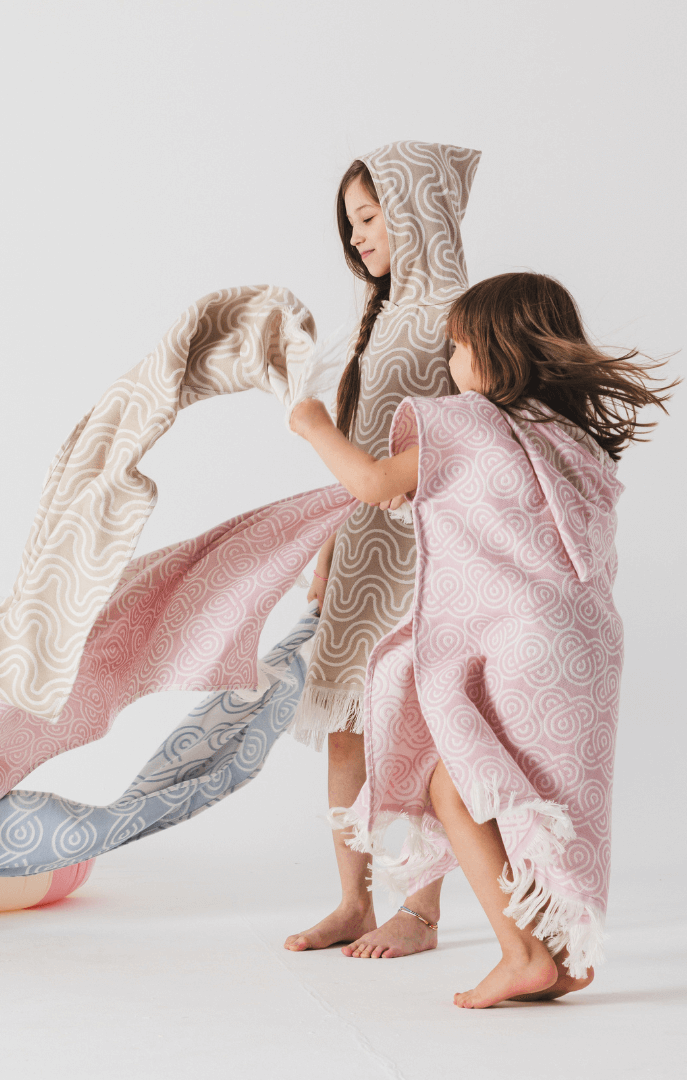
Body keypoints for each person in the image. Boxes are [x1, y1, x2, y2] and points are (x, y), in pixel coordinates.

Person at [289, 271, 675, 1006]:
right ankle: (560, 952)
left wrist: (313, 425)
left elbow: (374, 484)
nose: (450, 362)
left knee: (457, 785)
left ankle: (519, 950)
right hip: (587, 645)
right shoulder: (573, 439)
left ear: (496, 351)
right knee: (542, 793)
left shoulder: (469, 421)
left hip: (518, 640)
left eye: (457, 346)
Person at [285, 141, 481, 957]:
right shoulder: (382, 312)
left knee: (419, 727)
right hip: (364, 546)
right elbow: (362, 444)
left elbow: (477, 433)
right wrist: (331, 546)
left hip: (430, 546)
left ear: (416, 210)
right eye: (350, 224)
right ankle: (352, 900)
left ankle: (421, 911)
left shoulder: (462, 315)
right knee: (345, 724)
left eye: (369, 217)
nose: (357, 237)